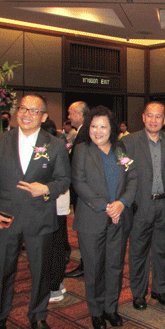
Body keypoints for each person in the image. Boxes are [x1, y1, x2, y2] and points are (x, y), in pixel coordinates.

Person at [0, 95, 71, 329]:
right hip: (6, 217)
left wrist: (46, 189)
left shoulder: (55, 144)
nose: (27, 114)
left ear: (43, 117)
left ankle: (38, 316)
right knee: (2, 271)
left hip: (40, 217)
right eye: (23, 108)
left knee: (40, 271)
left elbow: (63, 180)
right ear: (17, 112)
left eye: (34, 111)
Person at [71, 106, 138, 329]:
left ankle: (111, 308)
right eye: (93, 126)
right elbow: (79, 182)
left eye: (103, 127)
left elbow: (133, 178)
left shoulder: (120, 149)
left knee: (115, 266)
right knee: (93, 268)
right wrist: (106, 206)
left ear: (112, 129)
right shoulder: (82, 150)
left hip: (119, 217)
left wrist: (122, 203)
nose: (97, 131)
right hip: (92, 218)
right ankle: (97, 311)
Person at [121, 102, 165, 310]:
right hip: (140, 205)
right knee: (138, 251)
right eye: (150, 115)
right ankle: (139, 293)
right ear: (143, 117)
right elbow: (123, 175)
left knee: (162, 250)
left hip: (164, 204)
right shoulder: (128, 142)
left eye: (158, 116)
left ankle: (159, 290)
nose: (154, 120)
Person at [40, 118, 70, 304]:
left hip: (54, 203)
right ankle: (56, 282)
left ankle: (54, 284)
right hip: (57, 205)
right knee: (57, 244)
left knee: (53, 246)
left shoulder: (54, 149)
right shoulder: (58, 147)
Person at [64, 101, 90, 278]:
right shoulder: (80, 133)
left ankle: (86, 264)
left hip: (84, 192)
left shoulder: (85, 133)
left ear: (80, 114)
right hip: (79, 190)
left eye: (71, 113)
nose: (69, 117)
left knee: (85, 230)